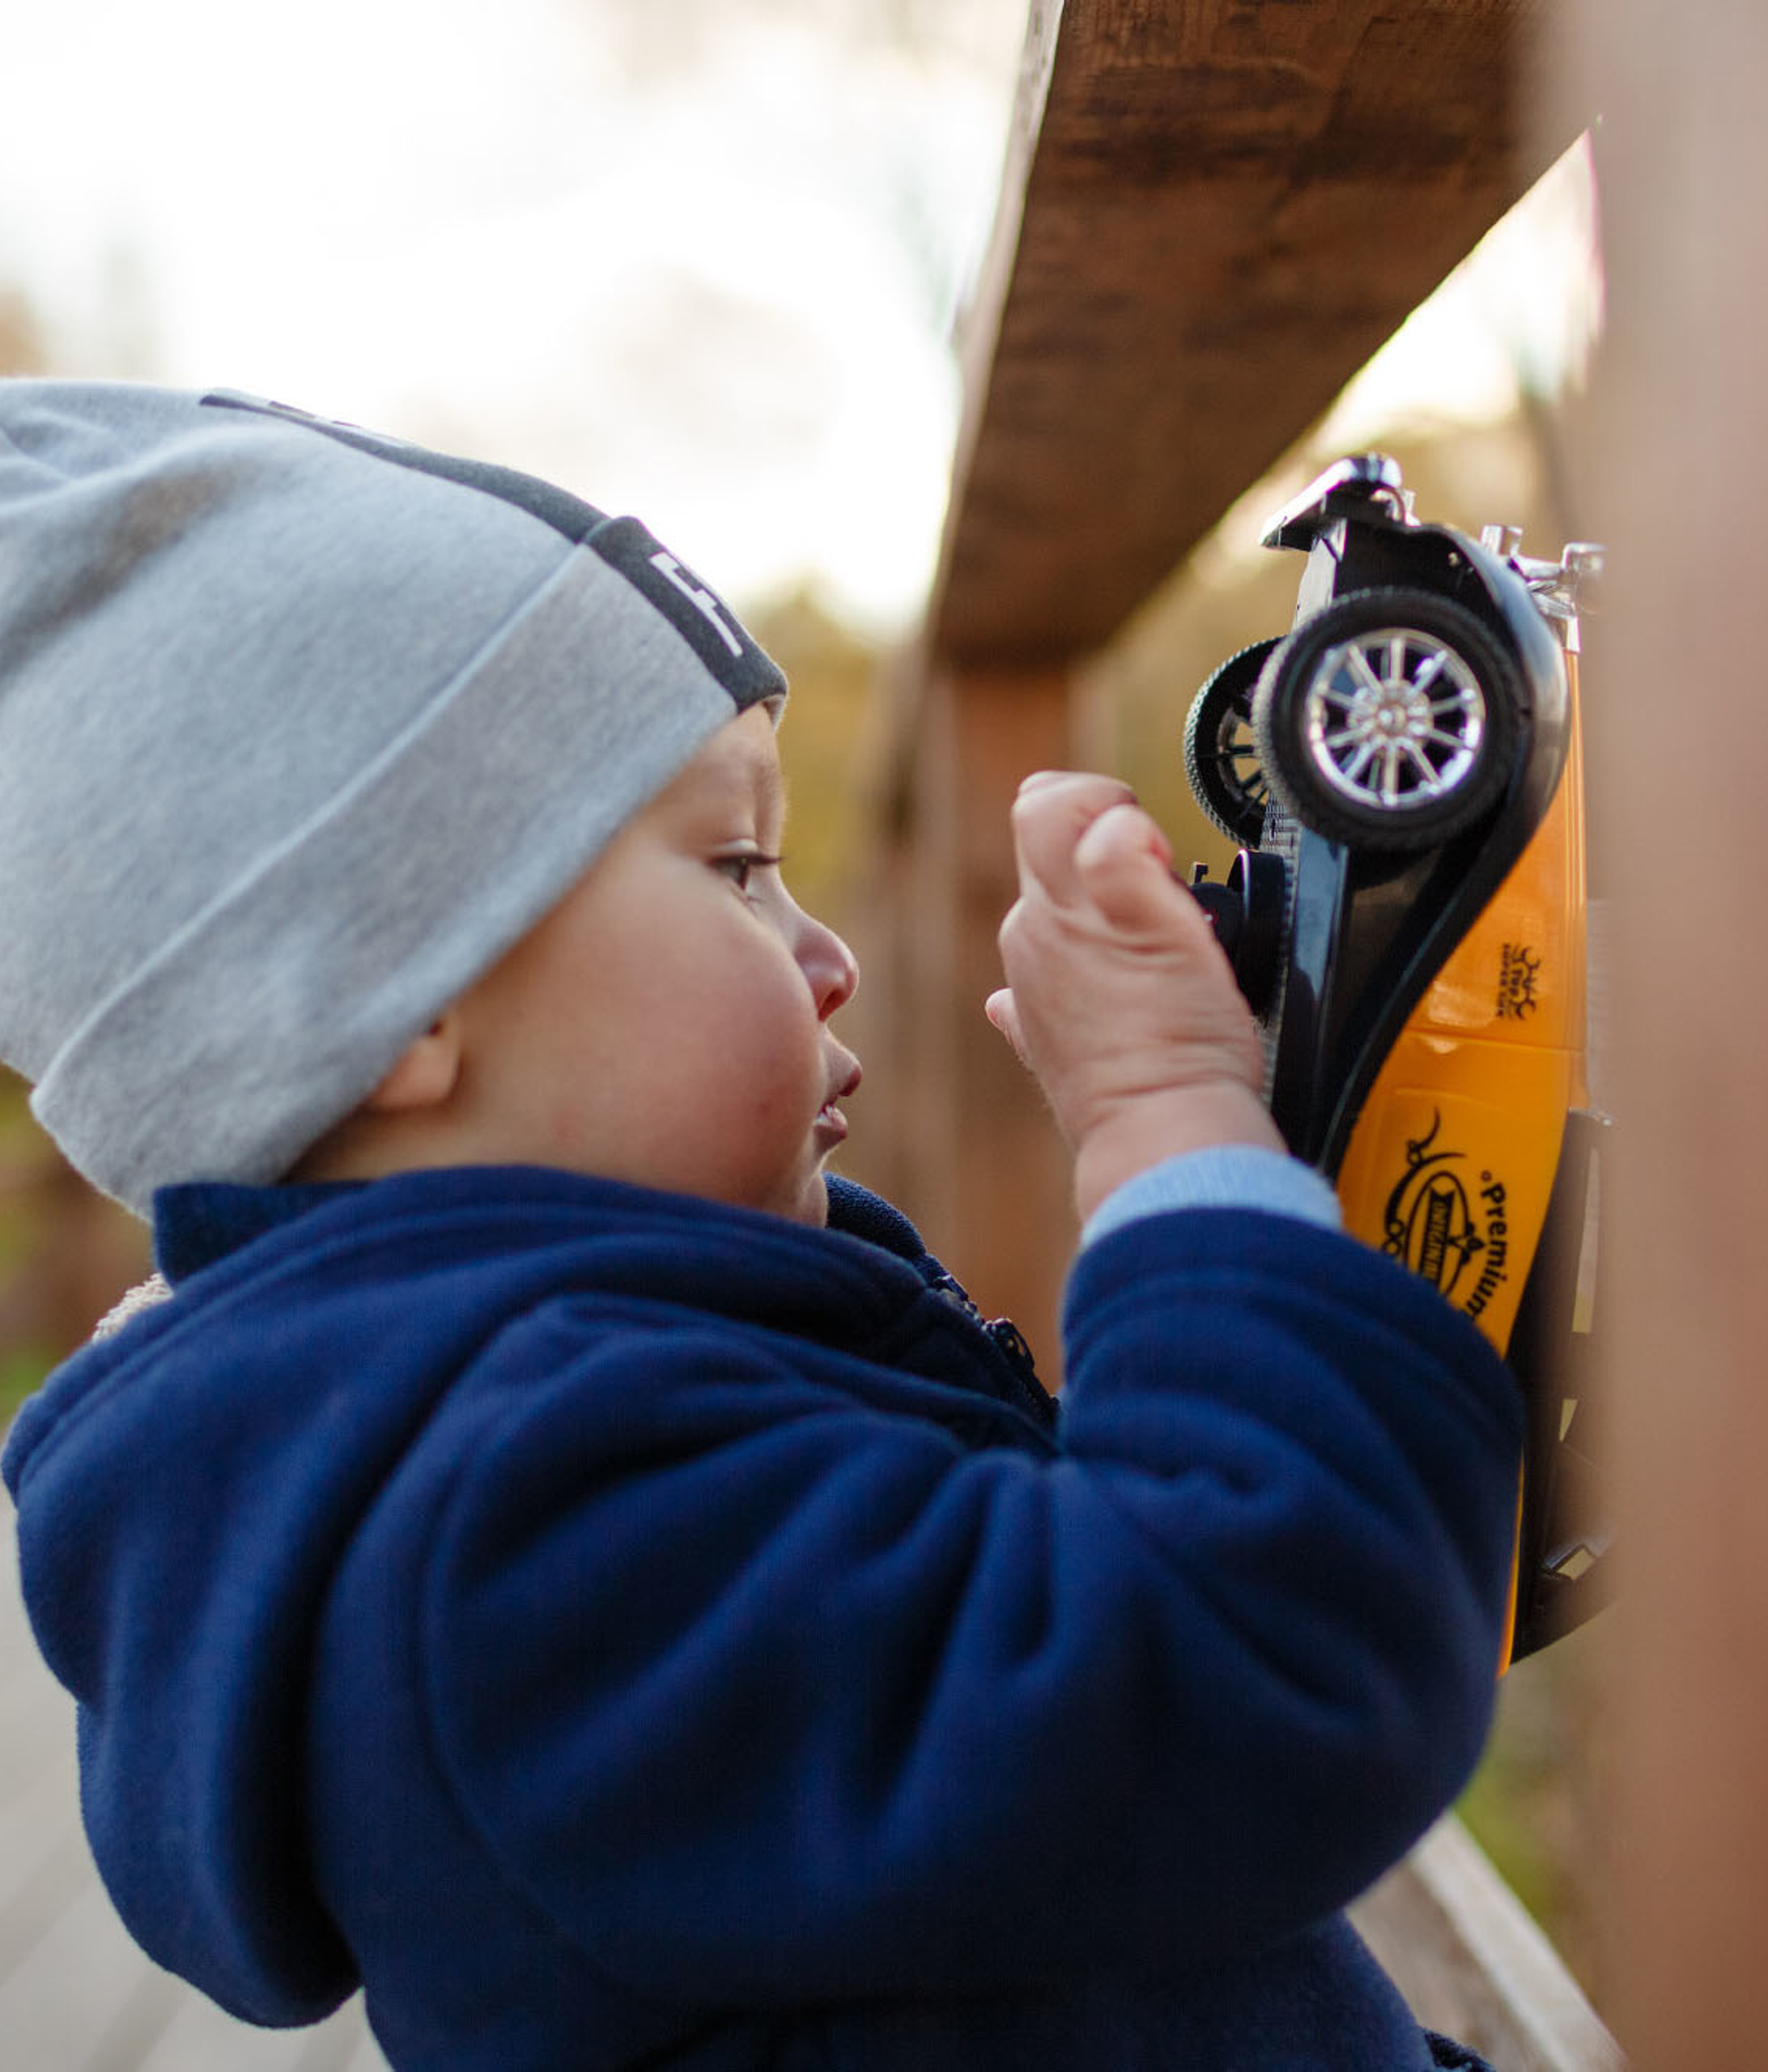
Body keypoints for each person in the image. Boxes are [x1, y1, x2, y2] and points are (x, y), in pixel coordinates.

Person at [0, 380, 1524, 2071]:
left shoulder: (480, 1430)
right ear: (380, 1006)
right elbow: (1257, 1672)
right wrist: (1171, 1128)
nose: (828, 952)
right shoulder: (512, 1534)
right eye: (734, 864)